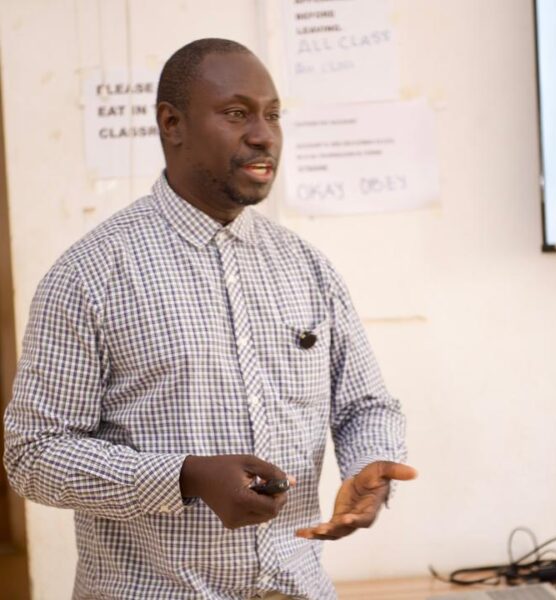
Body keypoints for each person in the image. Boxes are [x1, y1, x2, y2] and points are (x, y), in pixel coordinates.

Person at [3, 38, 416, 600]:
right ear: (171, 124)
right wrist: (185, 476)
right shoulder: (89, 276)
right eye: (237, 113)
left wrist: (370, 465)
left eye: (273, 115)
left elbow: (365, 405)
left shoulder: (307, 268)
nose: (264, 135)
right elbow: (34, 454)